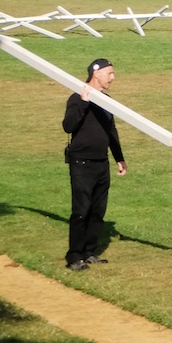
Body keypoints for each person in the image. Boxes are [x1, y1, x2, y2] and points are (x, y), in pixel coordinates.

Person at [62, 58, 126, 271]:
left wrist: (119, 158)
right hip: (82, 163)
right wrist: (83, 102)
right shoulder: (76, 98)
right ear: (96, 74)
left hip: (101, 163)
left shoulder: (106, 101)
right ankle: (74, 256)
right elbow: (68, 126)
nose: (113, 78)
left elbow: (111, 131)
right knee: (81, 210)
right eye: (110, 73)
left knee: (98, 211)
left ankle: (90, 252)